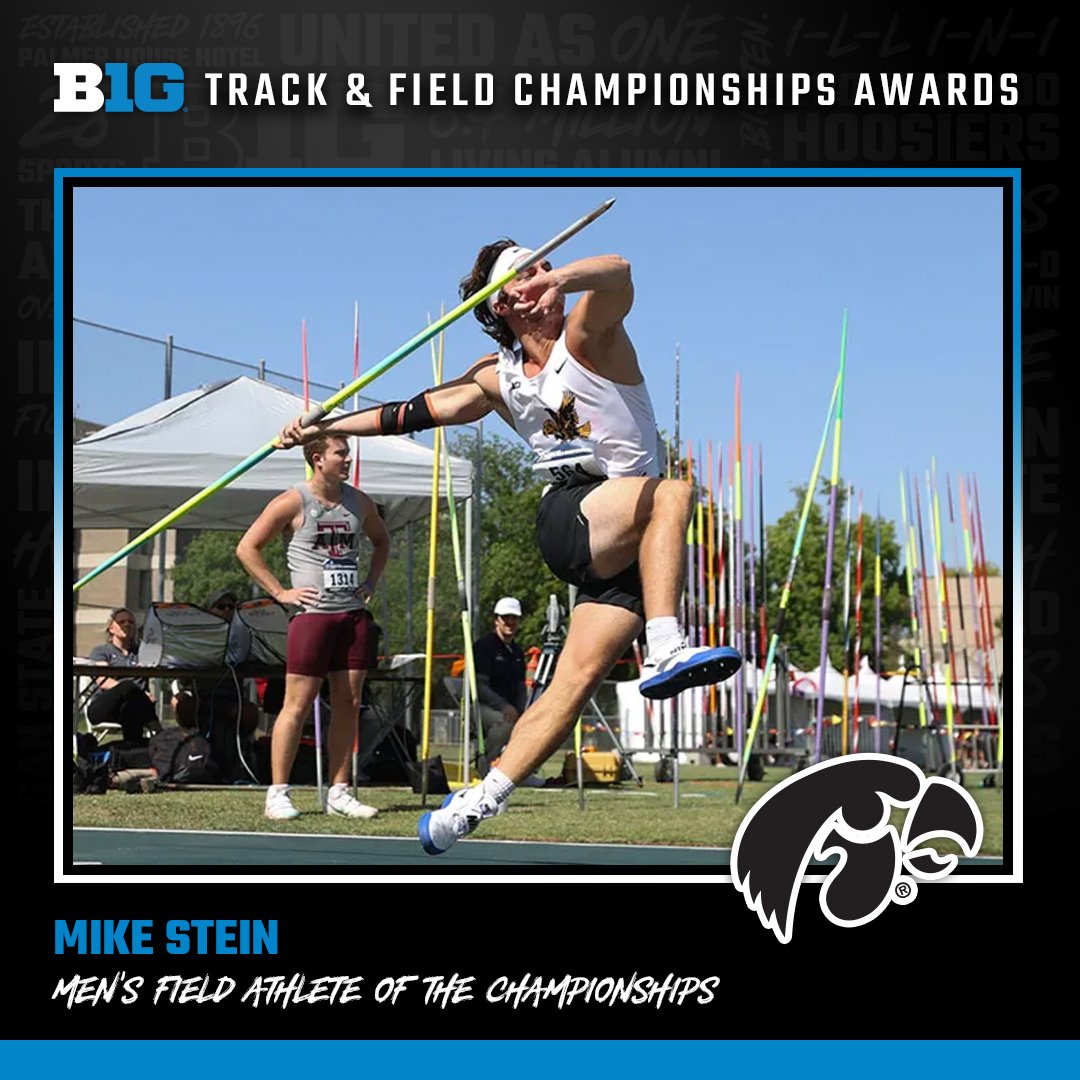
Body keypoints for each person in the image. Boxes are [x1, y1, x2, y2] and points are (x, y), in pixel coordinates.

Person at [280, 240, 741, 853]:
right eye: (532, 272)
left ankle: (475, 801)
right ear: (505, 304)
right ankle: (664, 646)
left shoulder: (588, 330)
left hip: (629, 541)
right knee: (674, 495)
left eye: (549, 267)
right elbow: (411, 413)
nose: (549, 277)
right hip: (575, 511)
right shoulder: (497, 377)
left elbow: (620, 273)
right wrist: (325, 425)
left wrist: (558, 278)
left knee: (573, 684)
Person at [236, 433, 391, 821]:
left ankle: (339, 791)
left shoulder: (359, 501)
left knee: (348, 702)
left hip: (352, 615)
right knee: (298, 705)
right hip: (312, 617)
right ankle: (278, 793)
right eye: (341, 454)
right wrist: (280, 592)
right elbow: (247, 548)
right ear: (318, 459)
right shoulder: (293, 500)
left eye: (348, 454)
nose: (348, 460)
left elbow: (382, 541)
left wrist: (371, 582)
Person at [171, 588, 261, 783]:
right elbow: (182, 676)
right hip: (200, 698)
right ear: (209, 610)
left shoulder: (244, 636)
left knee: (249, 712)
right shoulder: (196, 636)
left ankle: (242, 762)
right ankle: (191, 754)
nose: (227, 610)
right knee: (182, 704)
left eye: (231, 607)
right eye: (221, 606)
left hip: (230, 700)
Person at [85, 607, 159, 746]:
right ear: (111, 628)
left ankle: (134, 753)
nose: (126, 625)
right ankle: (157, 727)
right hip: (104, 707)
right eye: (122, 622)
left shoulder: (143, 653)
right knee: (129, 687)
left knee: (133, 708)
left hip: (131, 709)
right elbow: (103, 680)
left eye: (131, 622)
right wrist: (139, 693)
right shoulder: (101, 651)